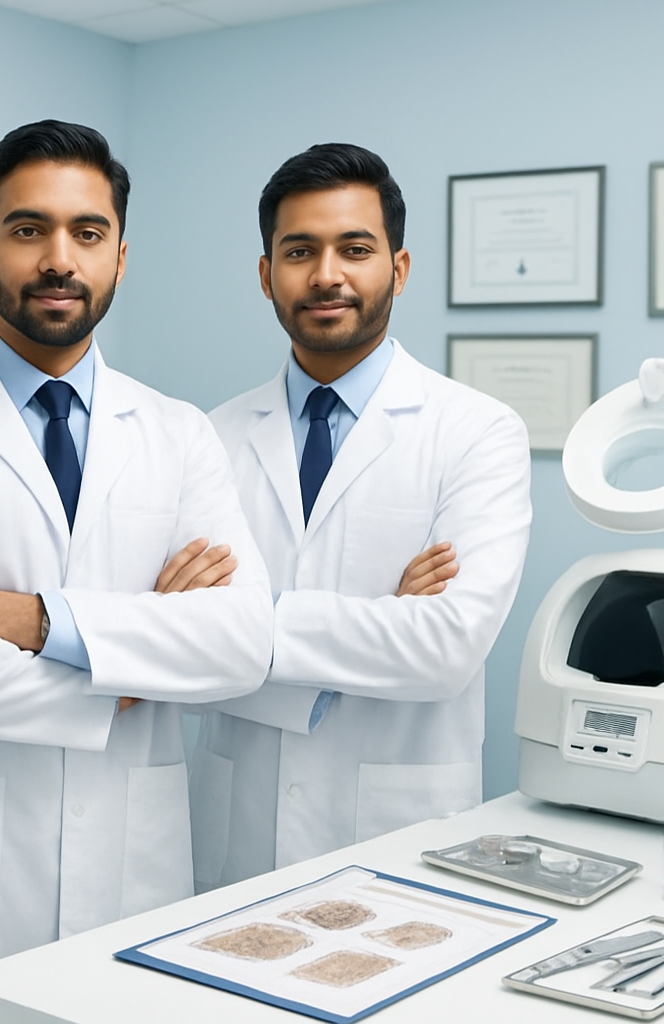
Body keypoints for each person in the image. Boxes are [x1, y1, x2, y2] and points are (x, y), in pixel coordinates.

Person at [0, 120, 274, 1022]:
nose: (58, 258)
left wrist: (41, 624)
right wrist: (132, 664)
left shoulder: (178, 432)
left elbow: (241, 645)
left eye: (87, 232)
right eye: (28, 229)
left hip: (131, 866)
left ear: (120, 254)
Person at [189, 143, 532, 890]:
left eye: (355, 248)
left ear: (398, 270)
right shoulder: (209, 438)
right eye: (299, 251)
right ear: (265, 274)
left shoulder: (477, 430)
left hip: (399, 832)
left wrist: (236, 623)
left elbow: (446, 650)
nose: (326, 275)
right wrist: (381, 620)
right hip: (233, 829)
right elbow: (175, 647)